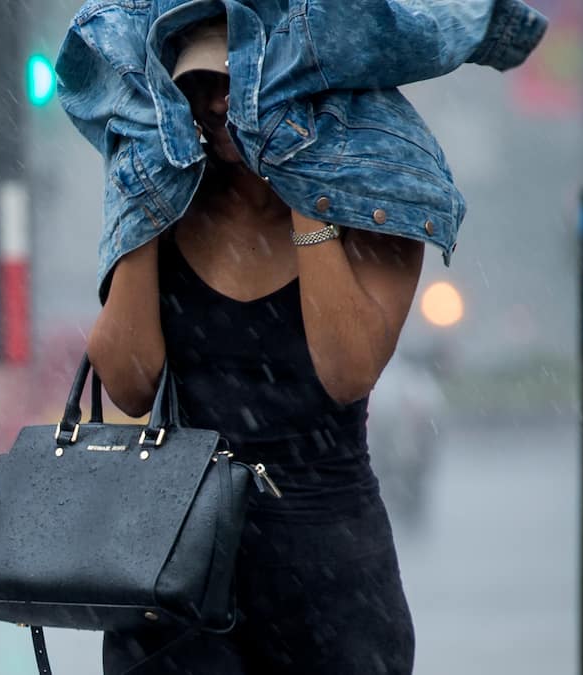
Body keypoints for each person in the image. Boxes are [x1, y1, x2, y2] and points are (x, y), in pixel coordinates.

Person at [88, 19, 420, 675]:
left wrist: (304, 187)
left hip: (329, 567)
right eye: (200, 84)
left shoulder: (376, 206)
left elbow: (347, 371)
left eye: (240, 81)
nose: (218, 102)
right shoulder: (169, 206)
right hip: (177, 560)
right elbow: (127, 382)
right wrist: (147, 206)